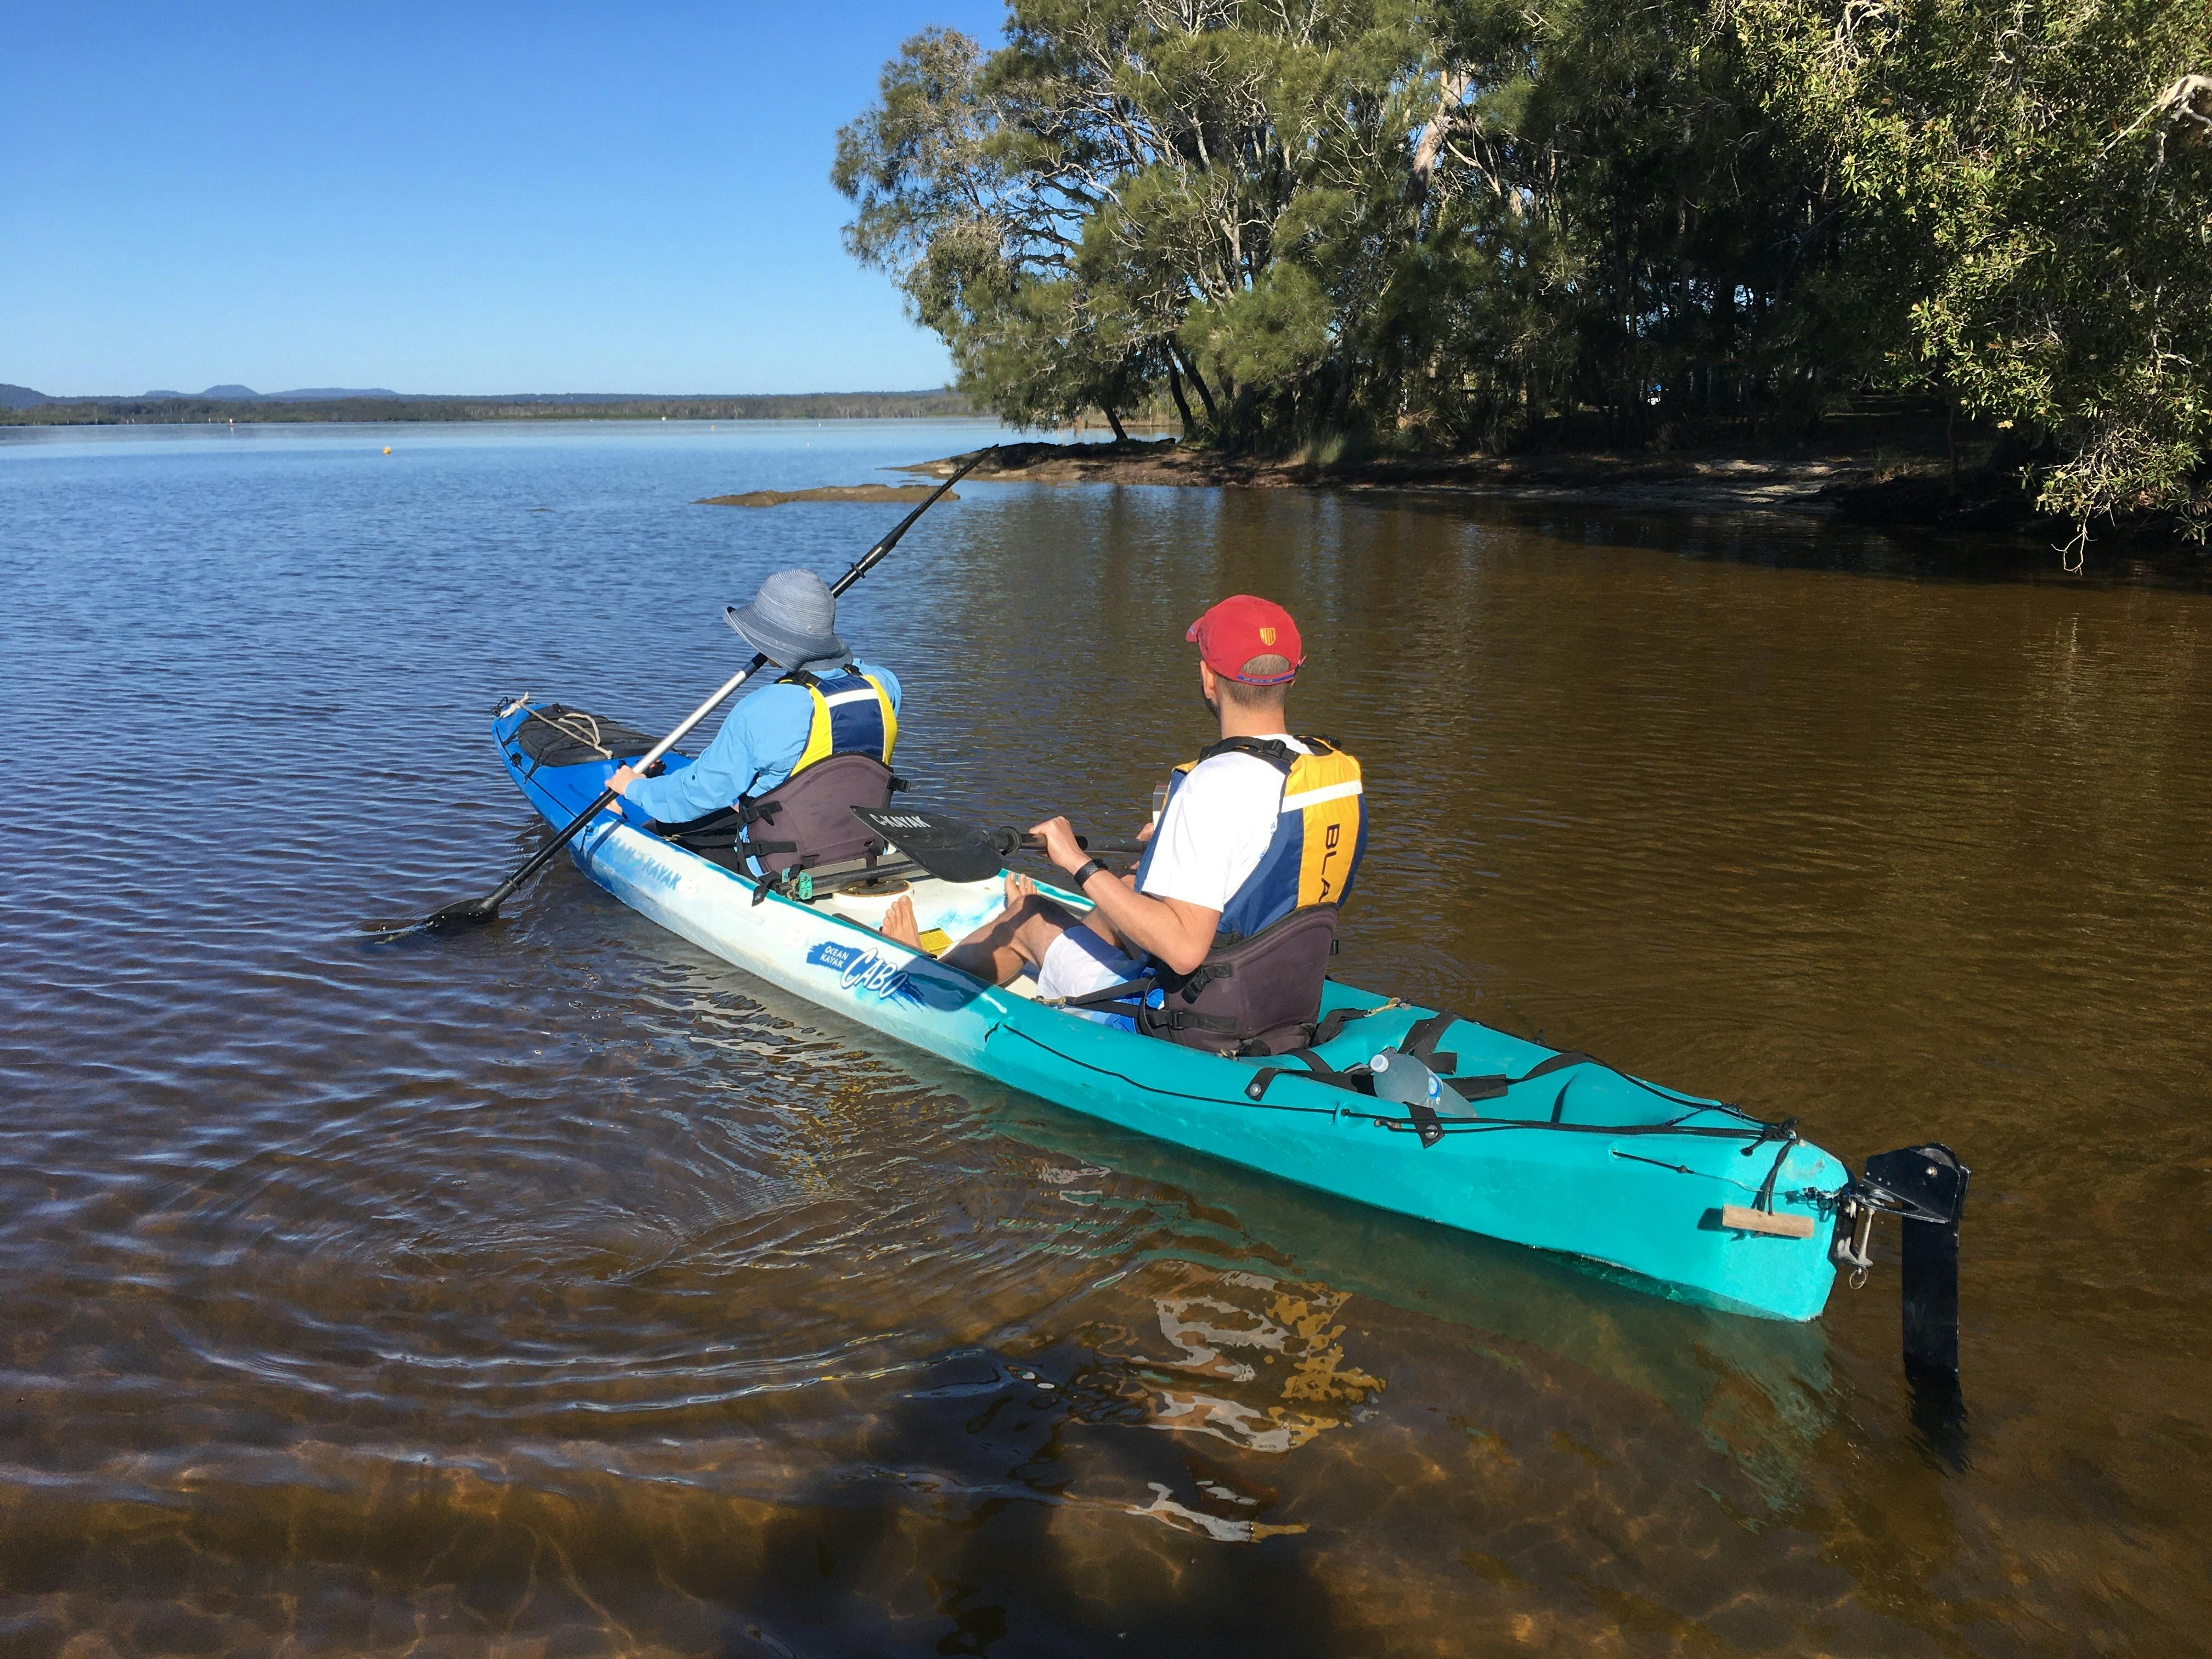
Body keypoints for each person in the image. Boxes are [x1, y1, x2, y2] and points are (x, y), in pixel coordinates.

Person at [883, 595, 1364, 1040]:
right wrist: (1166, 853)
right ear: (1292, 676)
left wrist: (1076, 862)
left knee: (1031, 917)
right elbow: (1270, 867)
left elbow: (1184, 951)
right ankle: (1067, 932)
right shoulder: (1331, 773)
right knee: (1135, 881)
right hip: (1281, 996)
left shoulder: (1213, 784)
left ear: (1208, 678)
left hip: (1196, 1021)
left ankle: (923, 976)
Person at [607, 568, 900, 870]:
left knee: (662, 830)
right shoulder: (884, 686)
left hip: (778, 866)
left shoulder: (762, 709)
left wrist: (635, 788)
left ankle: (623, 814)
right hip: (860, 846)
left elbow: (702, 793)